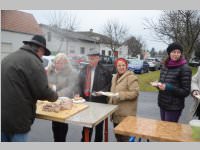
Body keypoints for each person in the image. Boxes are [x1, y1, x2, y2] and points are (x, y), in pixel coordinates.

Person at [1, 35, 58, 142]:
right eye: (42, 54)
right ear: (40, 49)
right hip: (18, 119)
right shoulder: (33, 61)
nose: (42, 57)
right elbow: (43, 91)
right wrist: (55, 95)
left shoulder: (8, 58)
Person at [79, 50, 112, 142]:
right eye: (89, 59)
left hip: (100, 103)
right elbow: (79, 83)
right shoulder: (84, 69)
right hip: (86, 103)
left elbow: (110, 85)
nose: (90, 61)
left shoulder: (105, 71)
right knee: (86, 128)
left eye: (92, 59)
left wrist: (102, 92)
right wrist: (79, 94)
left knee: (99, 129)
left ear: (98, 58)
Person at [47, 53, 79, 142]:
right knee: (55, 124)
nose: (59, 65)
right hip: (53, 101)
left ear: (65, 63)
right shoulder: (51, 70)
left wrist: (57, 93)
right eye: (57, 62)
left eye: (62, 63)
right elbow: (48, 83)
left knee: (62, 125)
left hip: (64, 102)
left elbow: (70, 87)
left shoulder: (71, 72)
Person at [157, 42, 192, 122]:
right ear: (169, 53)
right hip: (162, 103)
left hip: (174, 107)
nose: (176, 54)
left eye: (178, 52)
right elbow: (162, 83)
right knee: (162, 128)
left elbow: (186, 92)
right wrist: (158, 85)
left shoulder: (185, 69)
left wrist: (169, 87)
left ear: (181, 54)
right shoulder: (165, 66)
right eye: (173, 52)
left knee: (169, 131)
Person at [108, 58, 139, 142]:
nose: (121, 67)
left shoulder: (131, 77)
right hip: (116, 115)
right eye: (119, 65)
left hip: (126, 116)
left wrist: (120, 95)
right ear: (116, 67)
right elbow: (113, 92)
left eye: (123, 65)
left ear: (126, 66)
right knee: (118, 138)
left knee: (125, 139)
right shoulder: (114, 78)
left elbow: (135, 93)